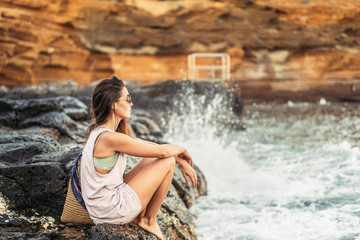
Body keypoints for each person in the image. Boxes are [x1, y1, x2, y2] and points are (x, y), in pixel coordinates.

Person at [80, 76, 197, 240]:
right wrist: (183, 150)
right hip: (111, 211)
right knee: (167, 161)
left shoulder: (100, 132)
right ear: (113, 104)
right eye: (127, 100)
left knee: (154, 158)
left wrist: (180, 159)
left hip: (103, 207)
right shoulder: (110, 138)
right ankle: (148, 220)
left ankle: (142, 217)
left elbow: (154, 148)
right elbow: (163, 153)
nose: (131, 104)